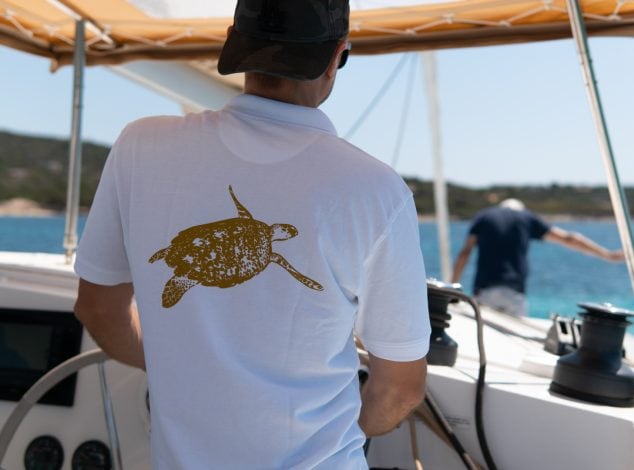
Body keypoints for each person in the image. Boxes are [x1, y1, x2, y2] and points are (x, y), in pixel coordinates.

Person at [73, 1, 430, 468]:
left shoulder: (141, 145)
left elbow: (98, 309)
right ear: (336, 56)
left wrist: (182, 367)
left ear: (236, 43)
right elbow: (401, 390)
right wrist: (347, 430)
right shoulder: (376, 191)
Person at [451, 198, 624, 317]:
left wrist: (453, 289)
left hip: (485, 291)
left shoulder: (484, 217)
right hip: (514, 293)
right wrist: (608, 255)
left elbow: (464, 253)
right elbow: (569, 238)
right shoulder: (527, 218)